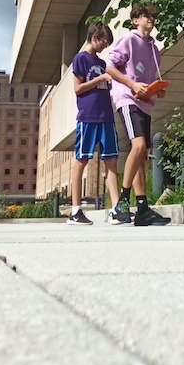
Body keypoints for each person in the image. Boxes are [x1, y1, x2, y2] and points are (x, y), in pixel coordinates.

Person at [106, 4, 171, 226]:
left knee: (141, 154)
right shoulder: (129, 40)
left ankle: (142, 208)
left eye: (153, 16)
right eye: (146, 16)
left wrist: (156, 90)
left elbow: (148, 77)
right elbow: (110, 68)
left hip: (144, 104)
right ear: (135, 20)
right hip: (127, 99)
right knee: (139, 145)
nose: (151, 19)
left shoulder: (154, 49)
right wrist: (132, 84)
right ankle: (122, 203)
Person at [67, 22, 124, 226]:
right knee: (82, 159)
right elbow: (78, 88)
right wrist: (100, 78)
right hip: (88, 116)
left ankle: (116, 209)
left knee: (111, 160)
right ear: (94, 38)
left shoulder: (102, 62)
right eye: (103, 41)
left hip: (106, 116)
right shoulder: (80, 58)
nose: (105, 46)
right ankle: (75, 210)